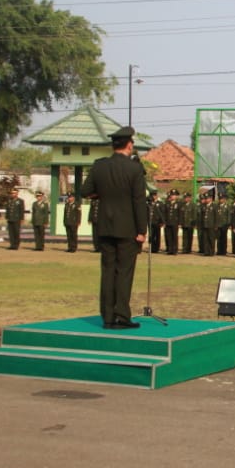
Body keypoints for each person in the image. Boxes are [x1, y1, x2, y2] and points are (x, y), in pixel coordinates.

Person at [80, 126, 148, 329]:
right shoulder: (134, 168)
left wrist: (103, 194)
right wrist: (142, 231)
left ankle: (107, 316)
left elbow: (86, 191)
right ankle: (122, 316)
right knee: (124, 272)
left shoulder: (99, 166)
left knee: (108, 271)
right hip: (128, 228)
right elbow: (138, 201)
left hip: (105, 227)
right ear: (129, 145)